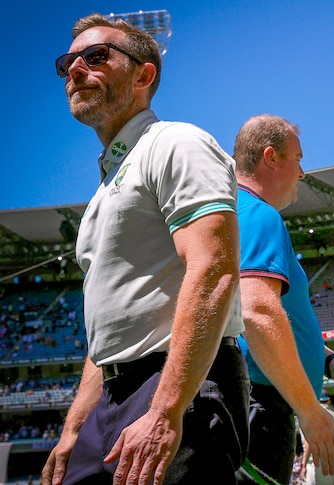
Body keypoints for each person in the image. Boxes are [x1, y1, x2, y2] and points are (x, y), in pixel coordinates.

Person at [43, 13, 248, 484]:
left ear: (144, 74)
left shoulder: (177, 143)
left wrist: (166, 409)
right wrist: (75, 426)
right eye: (67, 62)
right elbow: (109, 331)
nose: (76, 69)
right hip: (112, 397)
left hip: (175, 383)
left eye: (96, 57)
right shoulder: (107, 184)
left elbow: (214, 269)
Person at [231, 115, 334, 483]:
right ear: (271, 157)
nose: (303, 172)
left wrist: (327, 361)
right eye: (297, 158)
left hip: (258, 401)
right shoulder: (259, 214)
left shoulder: (236, 213)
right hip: (261, 405)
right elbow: (258, 314)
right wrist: (310, 412)